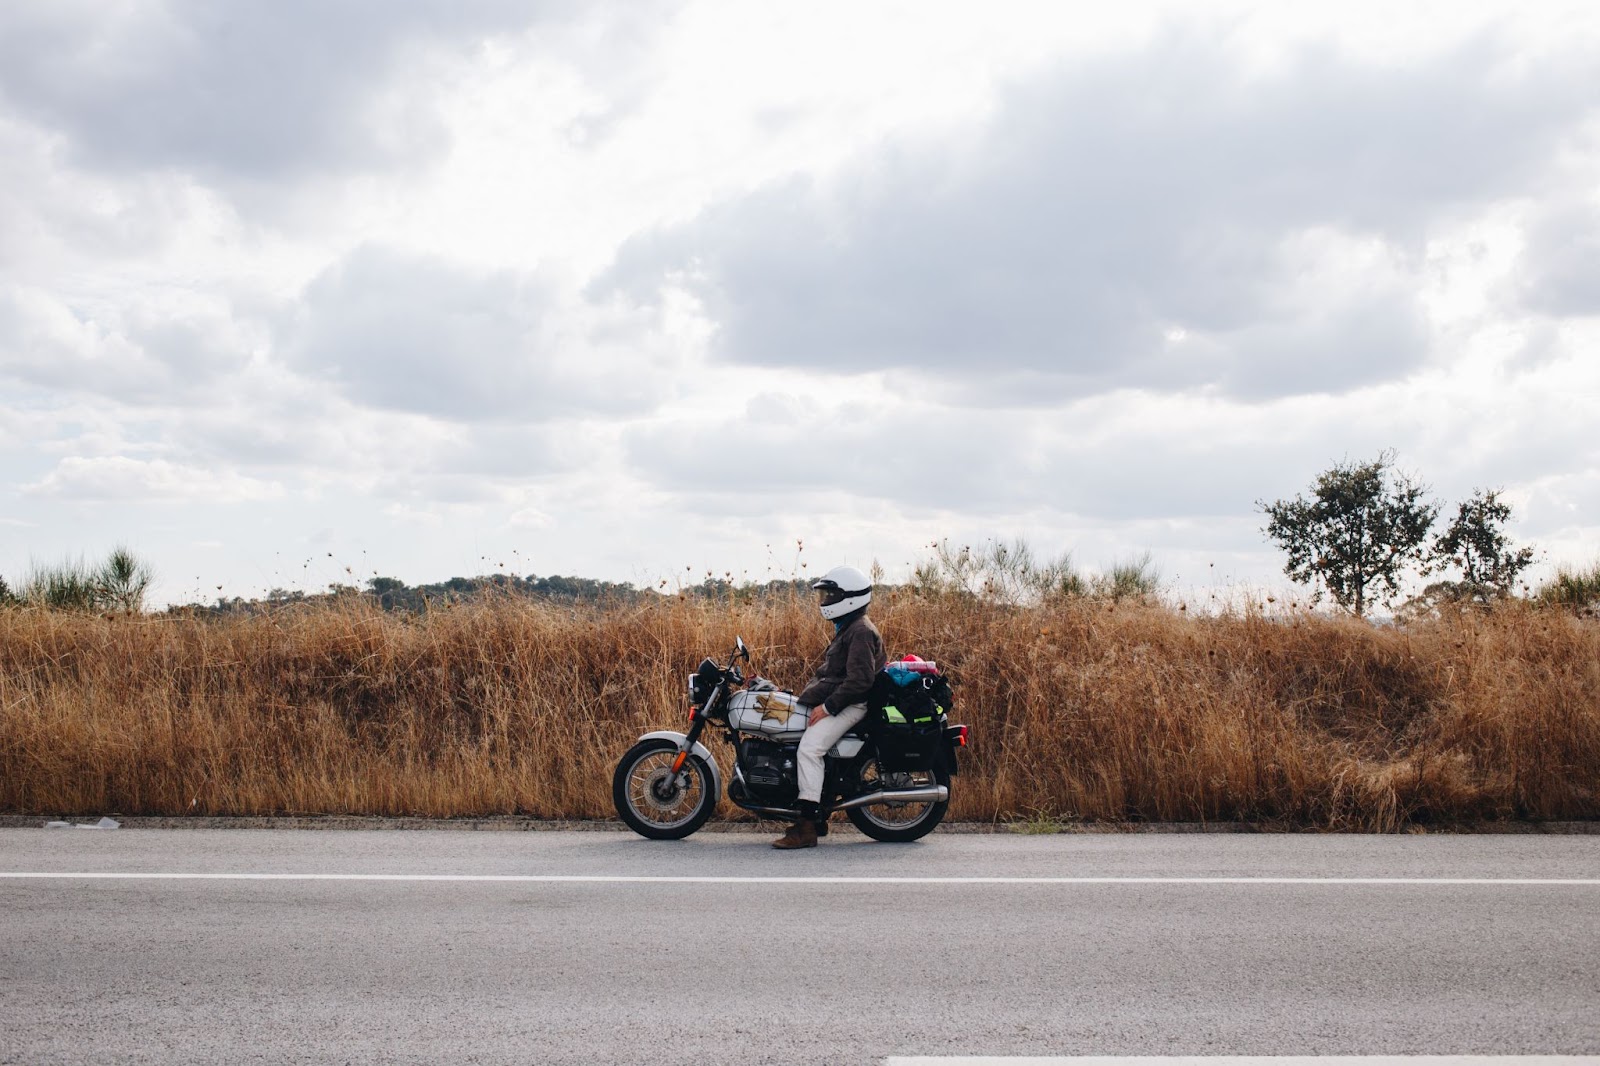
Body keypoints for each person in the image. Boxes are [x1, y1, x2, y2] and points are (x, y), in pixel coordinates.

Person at [772, 565, 887, 850]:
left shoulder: (859, 631)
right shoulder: (850, 627)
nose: (825, 601)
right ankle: (818, 811)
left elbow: (860, 681)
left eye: (831, 595)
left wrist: (829, 707)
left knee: (809, 750)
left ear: (849, 598)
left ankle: (807, 827)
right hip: (842, 701)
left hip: (851, 705)